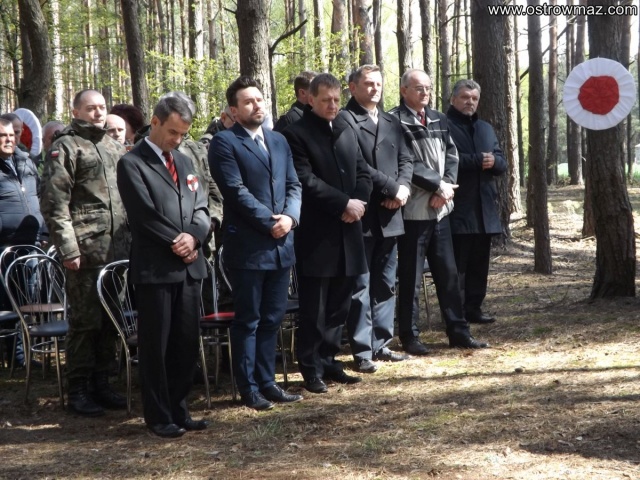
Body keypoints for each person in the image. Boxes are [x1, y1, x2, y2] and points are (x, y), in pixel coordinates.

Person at [117, 95, 210, 438]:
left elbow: (201, 206)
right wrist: (178, 242)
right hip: (156, 268)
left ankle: (179, 409)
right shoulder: (132, 163)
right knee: (157, 346)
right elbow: (144, 215)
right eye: (172, 132)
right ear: (154, 122)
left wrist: (195, 237)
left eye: (183, 134)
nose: (177, 139)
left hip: (189, 267)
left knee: (185, 343)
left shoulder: (184, 161)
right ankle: (158, 416)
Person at [209, 76, 302, 410]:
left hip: (282, 245)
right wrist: (270, 222)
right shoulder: (224, 143)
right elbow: (235, 191)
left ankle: (268, 382)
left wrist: (290, 218)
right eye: (248, 102)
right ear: (234, 111)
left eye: (259, 99)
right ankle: (248, 387)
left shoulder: (278, 140)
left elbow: (294, 184)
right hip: (249, 247)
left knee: (272, 317)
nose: (256, 105)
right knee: (248, 319)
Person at [41, 89, 131, 416]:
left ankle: (102, 383)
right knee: (85, 323)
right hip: (85, 251)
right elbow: (55, 203)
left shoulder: (113, 147)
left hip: (116, 250)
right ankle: (78, 388)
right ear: (76, 111)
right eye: (91, 108)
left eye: (102, 107)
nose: (98, 113)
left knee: (111, 320)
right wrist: (68, 248)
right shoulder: (66, 147)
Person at [282, 73, 372, 393]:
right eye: (326, 100)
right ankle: (311, 368)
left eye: (336, 99)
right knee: (315, 307)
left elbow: (363, 171)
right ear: (310, 99)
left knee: (339, 305)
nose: (333, 105)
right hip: (317, 236)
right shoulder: (296, 134)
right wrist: (344, 204)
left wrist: (358, 203)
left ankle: (330, 360)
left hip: (350, 230)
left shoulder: (346, 128)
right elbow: (305, 181)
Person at [390, 69, 488, 352]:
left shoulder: (439, 119)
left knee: (448, 275)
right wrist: (436, 186)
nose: (425, 93)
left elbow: (452, 156)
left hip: (441, 210)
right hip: (413, 212)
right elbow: (405, 161)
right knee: (411, 278)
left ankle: (458, 332)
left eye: (428, 88)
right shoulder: (394, 120)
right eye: (418, 88)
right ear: (404, 90)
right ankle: (410, 336)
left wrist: (445, 187)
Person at [341, 65, 413, 373]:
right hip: (363, 213)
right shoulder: (345, 119)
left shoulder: (391, 120)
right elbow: (356, 163)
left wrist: (403, 190)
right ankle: (362, 350)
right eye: (368, 84)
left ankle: (381, 343)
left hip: (392, 213)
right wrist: (391, 188)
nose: (375, 89)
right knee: (360, 285)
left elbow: (407, 158)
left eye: (379, 84)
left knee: (385, 283)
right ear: (352, 87)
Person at [447, 79, 507, 324]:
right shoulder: (444, 125)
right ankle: (455, 314)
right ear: (453, 99)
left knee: (479, 265)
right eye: (464, 97)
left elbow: (501, 162)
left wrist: (495, 162)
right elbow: (445, 161)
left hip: (485, 209)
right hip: (458, 209)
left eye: (474, 98)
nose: (469, 102)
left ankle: (474, 308)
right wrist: (477, 160)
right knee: (457, 267)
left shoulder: (485, 128)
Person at [0, 118, 48, 367]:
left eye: (11, 135)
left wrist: (44, 233)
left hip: (31, 243)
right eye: (2, 135)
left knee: (26, 299)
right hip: (4, 245)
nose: (8, 139)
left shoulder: (26, 162)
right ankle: (13, 355)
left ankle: (23, 353)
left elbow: (38, 196)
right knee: (7, 301)